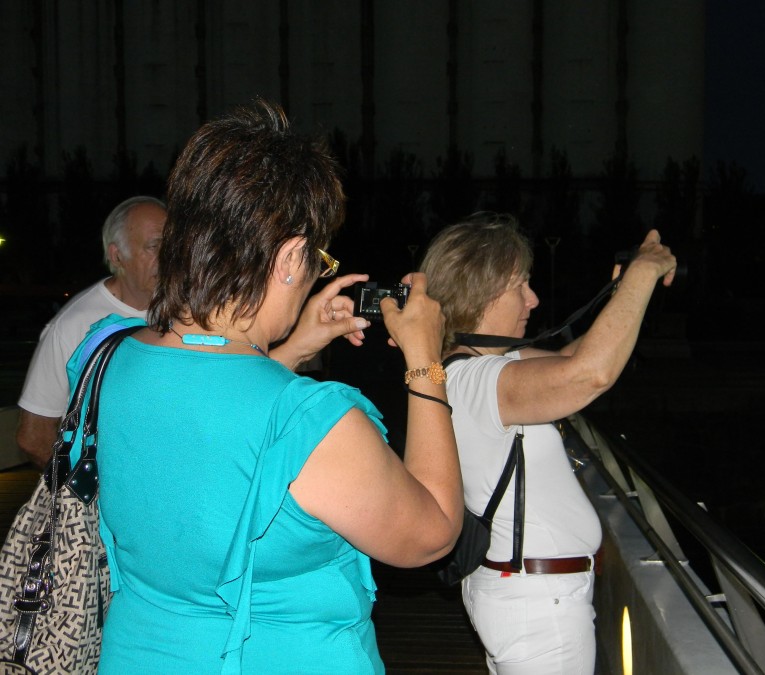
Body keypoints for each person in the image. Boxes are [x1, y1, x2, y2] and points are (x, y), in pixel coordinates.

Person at [66, 99, 462, 674]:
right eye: (315, 259)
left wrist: (294, 346)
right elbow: (432, 533)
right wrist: (425, 357)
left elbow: (207, 393)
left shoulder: (101, 356)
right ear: (290, 258)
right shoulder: (316, 424)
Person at [419, 212, 676, 674]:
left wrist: (623, 293)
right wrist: (643, 273)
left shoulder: (472, 368)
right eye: (521, 284)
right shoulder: (481, 380)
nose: (532, 300)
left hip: (528, 596)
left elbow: (573, 359)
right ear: (483, 289)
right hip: (538, 608)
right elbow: (589, 375)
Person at [16, 195, 166, 467]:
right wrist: (83, 495)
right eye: (154, 246)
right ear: (117, 255)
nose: (168, 257)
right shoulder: (75, 325)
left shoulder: (190, 311)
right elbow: (34, 435)